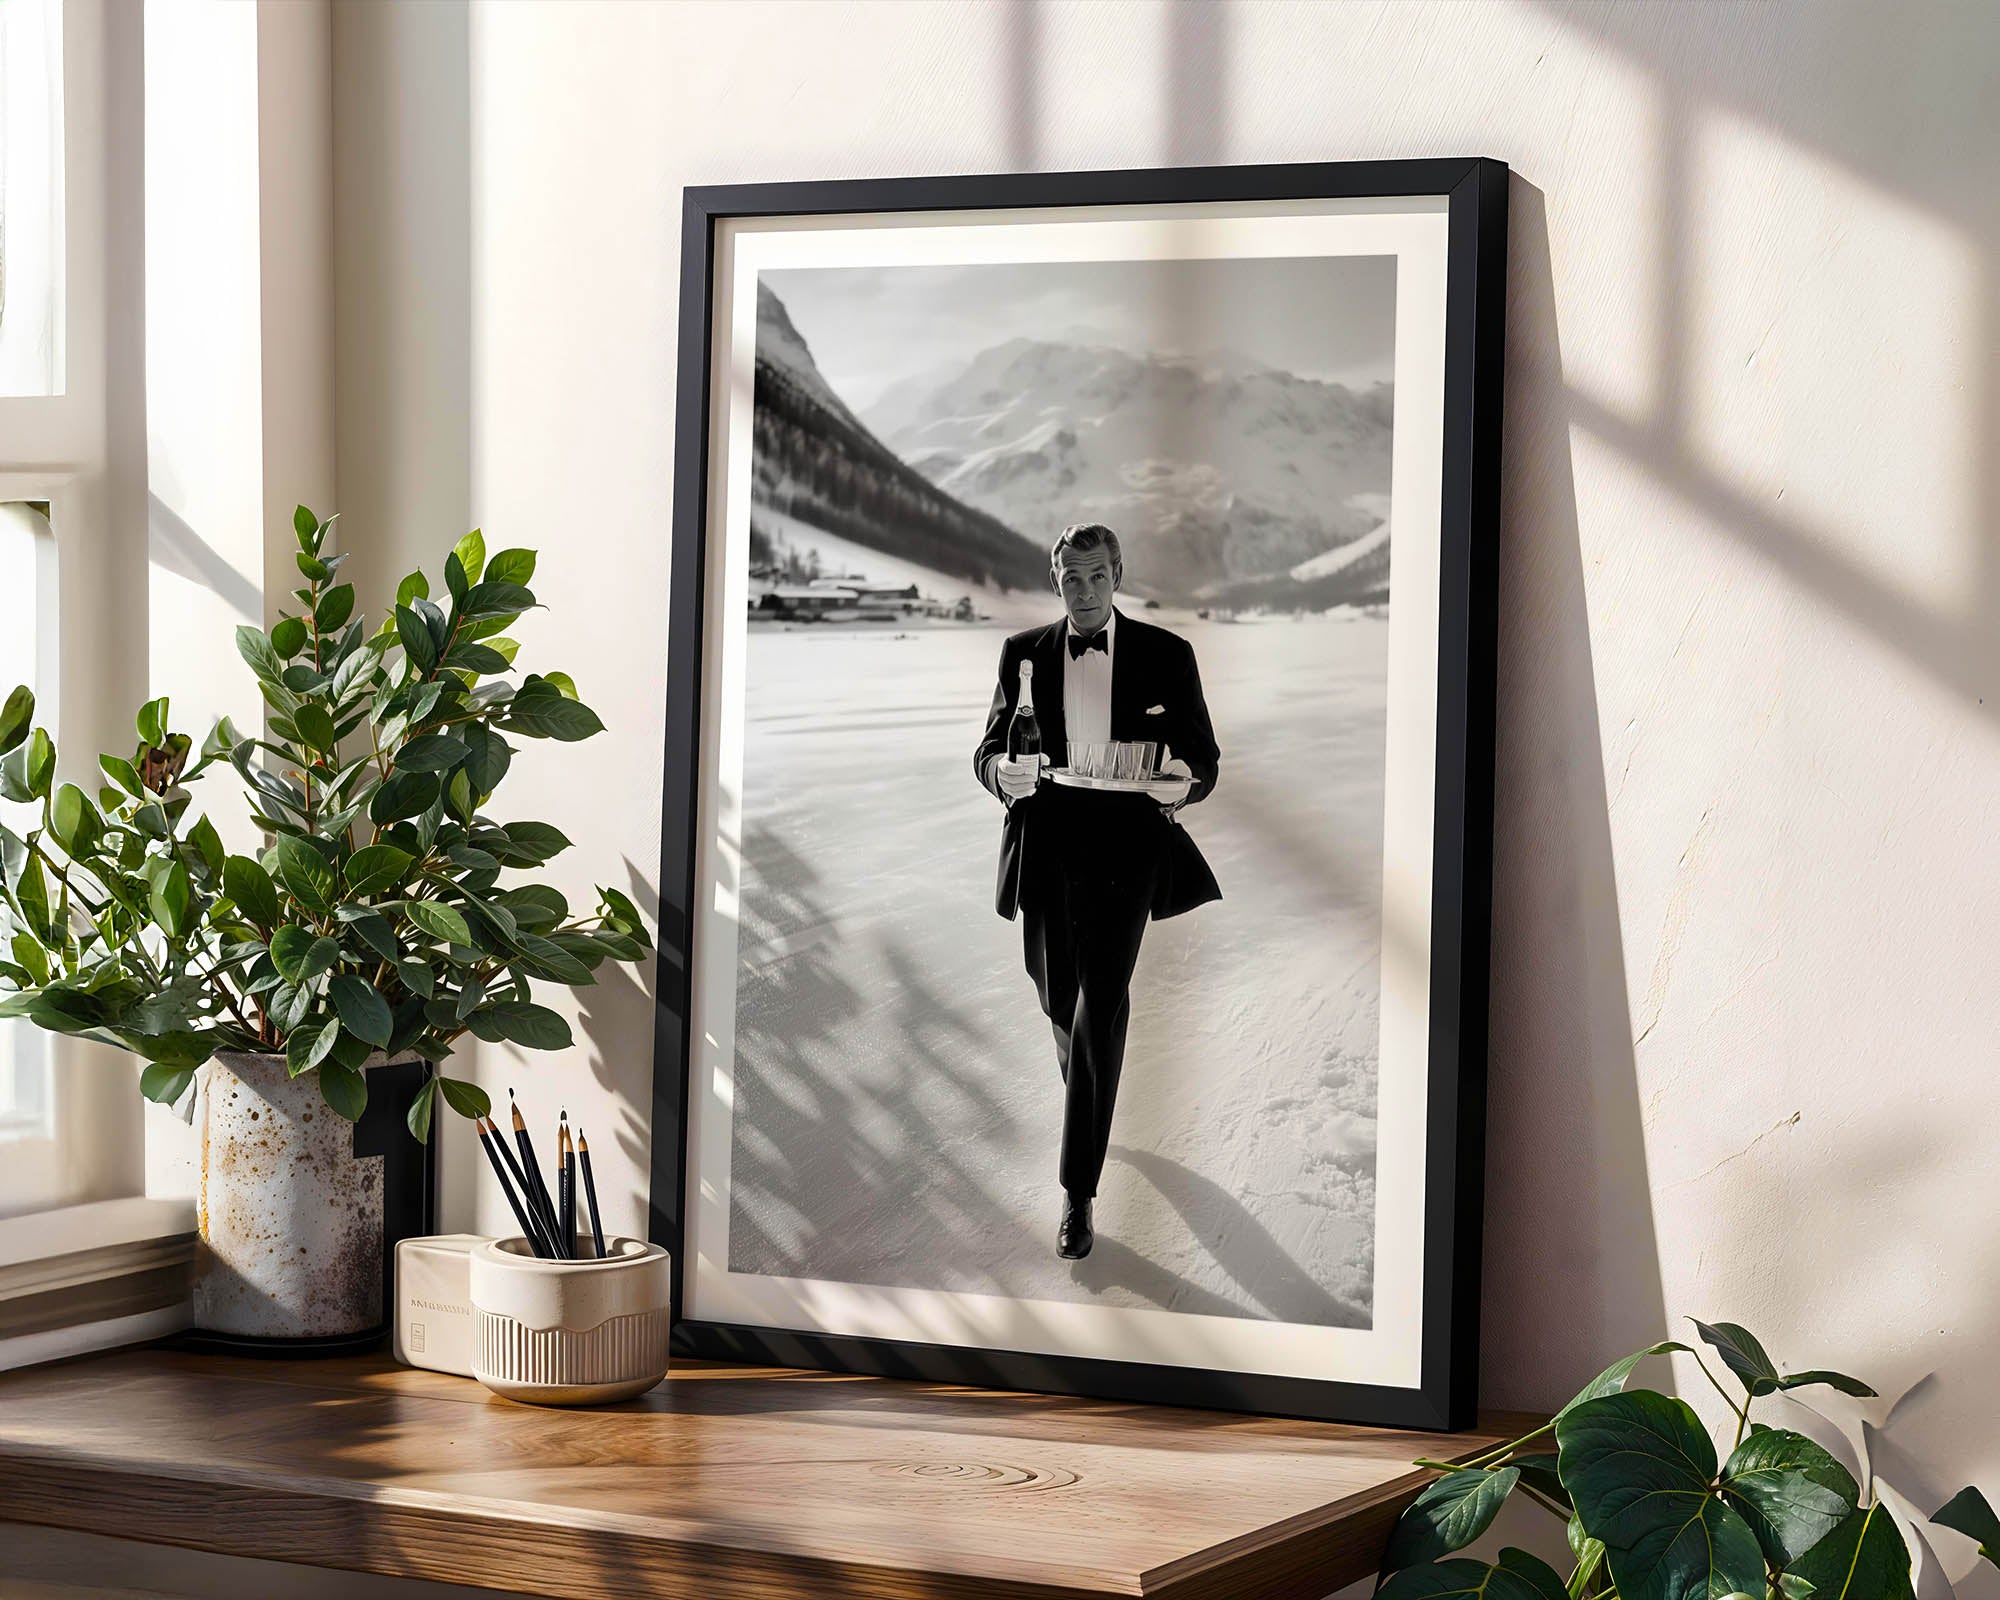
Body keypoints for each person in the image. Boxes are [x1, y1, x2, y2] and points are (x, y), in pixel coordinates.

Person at [972, 523, 1221, 1260]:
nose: (1083, 594)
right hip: (1046, 848)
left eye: (1097, 578)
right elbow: (987, 748)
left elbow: (1202, 757)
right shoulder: (1023, 654)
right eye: (1070, 580)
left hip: (1129, 853)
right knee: (1059, 999)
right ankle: (1089, 1085)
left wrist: (1185, 783)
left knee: (1100, 1009)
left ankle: (1077, 1193)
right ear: (1056, 581)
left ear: (1118, 575)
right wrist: (1000, 776)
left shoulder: (1169, 655)